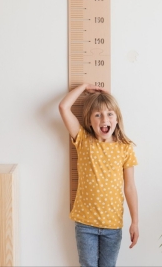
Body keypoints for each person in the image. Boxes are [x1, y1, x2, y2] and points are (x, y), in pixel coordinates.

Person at [59, 83, 139, 267]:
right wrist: (85, 86)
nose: (104, 118)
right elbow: (63, 107)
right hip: (85, 224)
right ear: (89, 121)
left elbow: (130, 187)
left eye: (110, 114)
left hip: (113, 226)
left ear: (117, 119)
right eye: (97, 115)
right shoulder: (83, 140)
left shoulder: (125, 148)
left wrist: (135, 221)